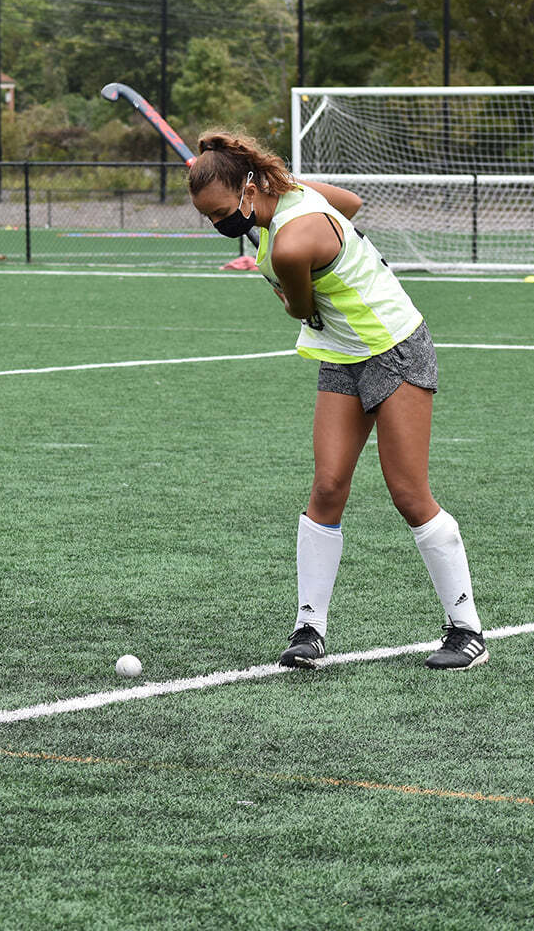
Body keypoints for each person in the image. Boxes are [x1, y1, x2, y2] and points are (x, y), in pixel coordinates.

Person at [187, 131, 487, 671]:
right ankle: (309, 629)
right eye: (207, 217)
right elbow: (349, 205)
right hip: (343, 353)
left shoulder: (290, 245)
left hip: (394, 347)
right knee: (327, 486)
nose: (217, 224)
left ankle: (466, 630)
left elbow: (301, 311)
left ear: (250, 188)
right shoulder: (292, 194)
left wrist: (291, 288)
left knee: (408, 493)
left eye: (220, 212)